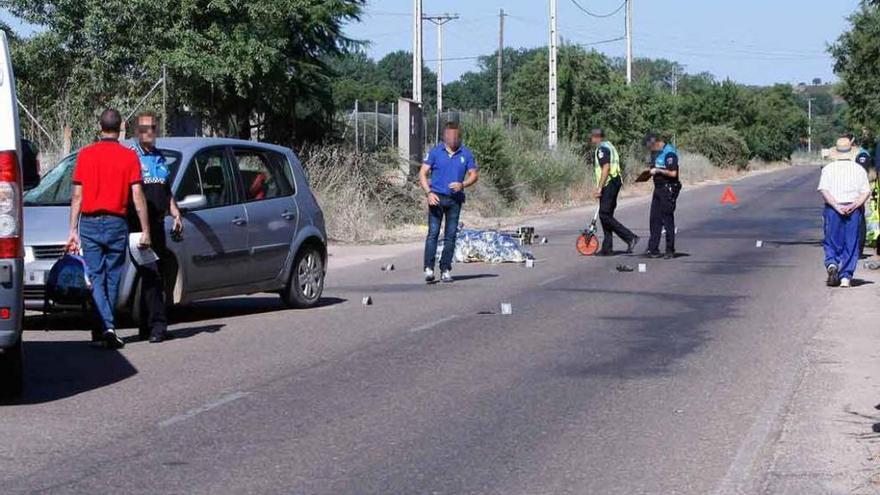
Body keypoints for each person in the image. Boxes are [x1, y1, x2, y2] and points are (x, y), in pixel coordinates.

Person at [66, 109, 151, 349]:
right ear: (121, 127)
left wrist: (72, 228)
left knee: (95, 276)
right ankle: (108, 327)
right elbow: (137, 195)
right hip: (117, 223)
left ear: (100, 127)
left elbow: (77, 196)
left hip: (90, 223)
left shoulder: (86, 154)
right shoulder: (129, 157)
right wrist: (145, 229)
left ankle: (106, 328)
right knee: (113, 277)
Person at [130, 112, 183, 343]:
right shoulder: (132, 157)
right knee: (151, 274)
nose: (148, 132)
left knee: (152, 274)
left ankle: (146, 325)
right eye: (143, 128)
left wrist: (175, 211)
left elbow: (165, 189)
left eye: (152, 127)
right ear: (136, 132)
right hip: (140, 225)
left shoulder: (160, 157)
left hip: (159, 223)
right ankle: (158, 326)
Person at [419, 122, 479, 283]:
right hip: (436, 198)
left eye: (456, 136)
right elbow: (422, 173)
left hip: (455, 200)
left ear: (459, 137)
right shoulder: (435, 152)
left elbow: (474, 174)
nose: (453, 139)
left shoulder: (465, 154)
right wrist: (428, 193)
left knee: (451, 235)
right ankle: (428, 268)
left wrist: (463, 184)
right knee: (433, 233)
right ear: (444, 136)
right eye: (450, 136)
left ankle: (445, 269)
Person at [818, 138, 871, 288]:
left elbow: (824, 190)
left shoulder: (828, 169)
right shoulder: (858, 169)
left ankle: (832, 263)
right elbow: (865, 191)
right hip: (853, 209)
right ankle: (846, 277)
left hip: (833, 208)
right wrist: (854, 205)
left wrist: (836, 206)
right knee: (851, 242)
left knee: (831, 239)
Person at [590, 129, 639, 256]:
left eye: (592, 137)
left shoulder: (602, 149)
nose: (591, 139)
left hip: (609, 183)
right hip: (615, 181)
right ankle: (607, 248)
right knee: (606, 214)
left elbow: (606, 167)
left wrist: (599, 188)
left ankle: (630, 237)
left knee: (604, 214)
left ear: (596, 137)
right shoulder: (610, 145)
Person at [644, 133, 682, 259]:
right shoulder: (655, 153)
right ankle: (653, 248)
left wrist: (659, 171)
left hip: (668, 188)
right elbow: (653, 167)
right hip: (658, 188)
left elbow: (673, 173)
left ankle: (670, 249)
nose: (650, 149)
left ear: (656, 143)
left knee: (667, 219)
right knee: (654, 219)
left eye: (650, 146)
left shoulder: (669, 153)